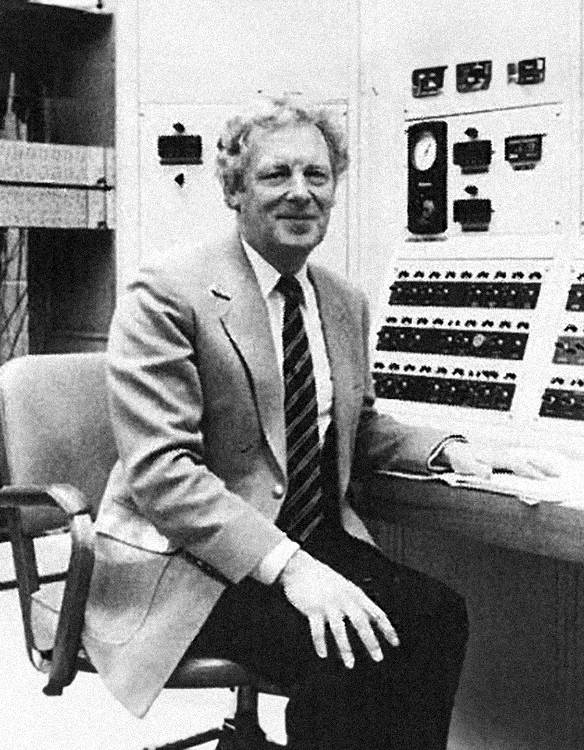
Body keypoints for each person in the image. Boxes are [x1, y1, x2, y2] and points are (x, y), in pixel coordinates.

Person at [81, 97, 557, 749]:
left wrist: (452, 451)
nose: (301, 193)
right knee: (350, 643)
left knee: (437, 615)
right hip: (191, 563)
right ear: (235, 188)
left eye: (318, 175)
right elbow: (163, 476)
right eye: (277, 175)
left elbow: (351, 429)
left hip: (309, 539)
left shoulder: (340, 300)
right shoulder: (166, 291)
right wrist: (295, 570)